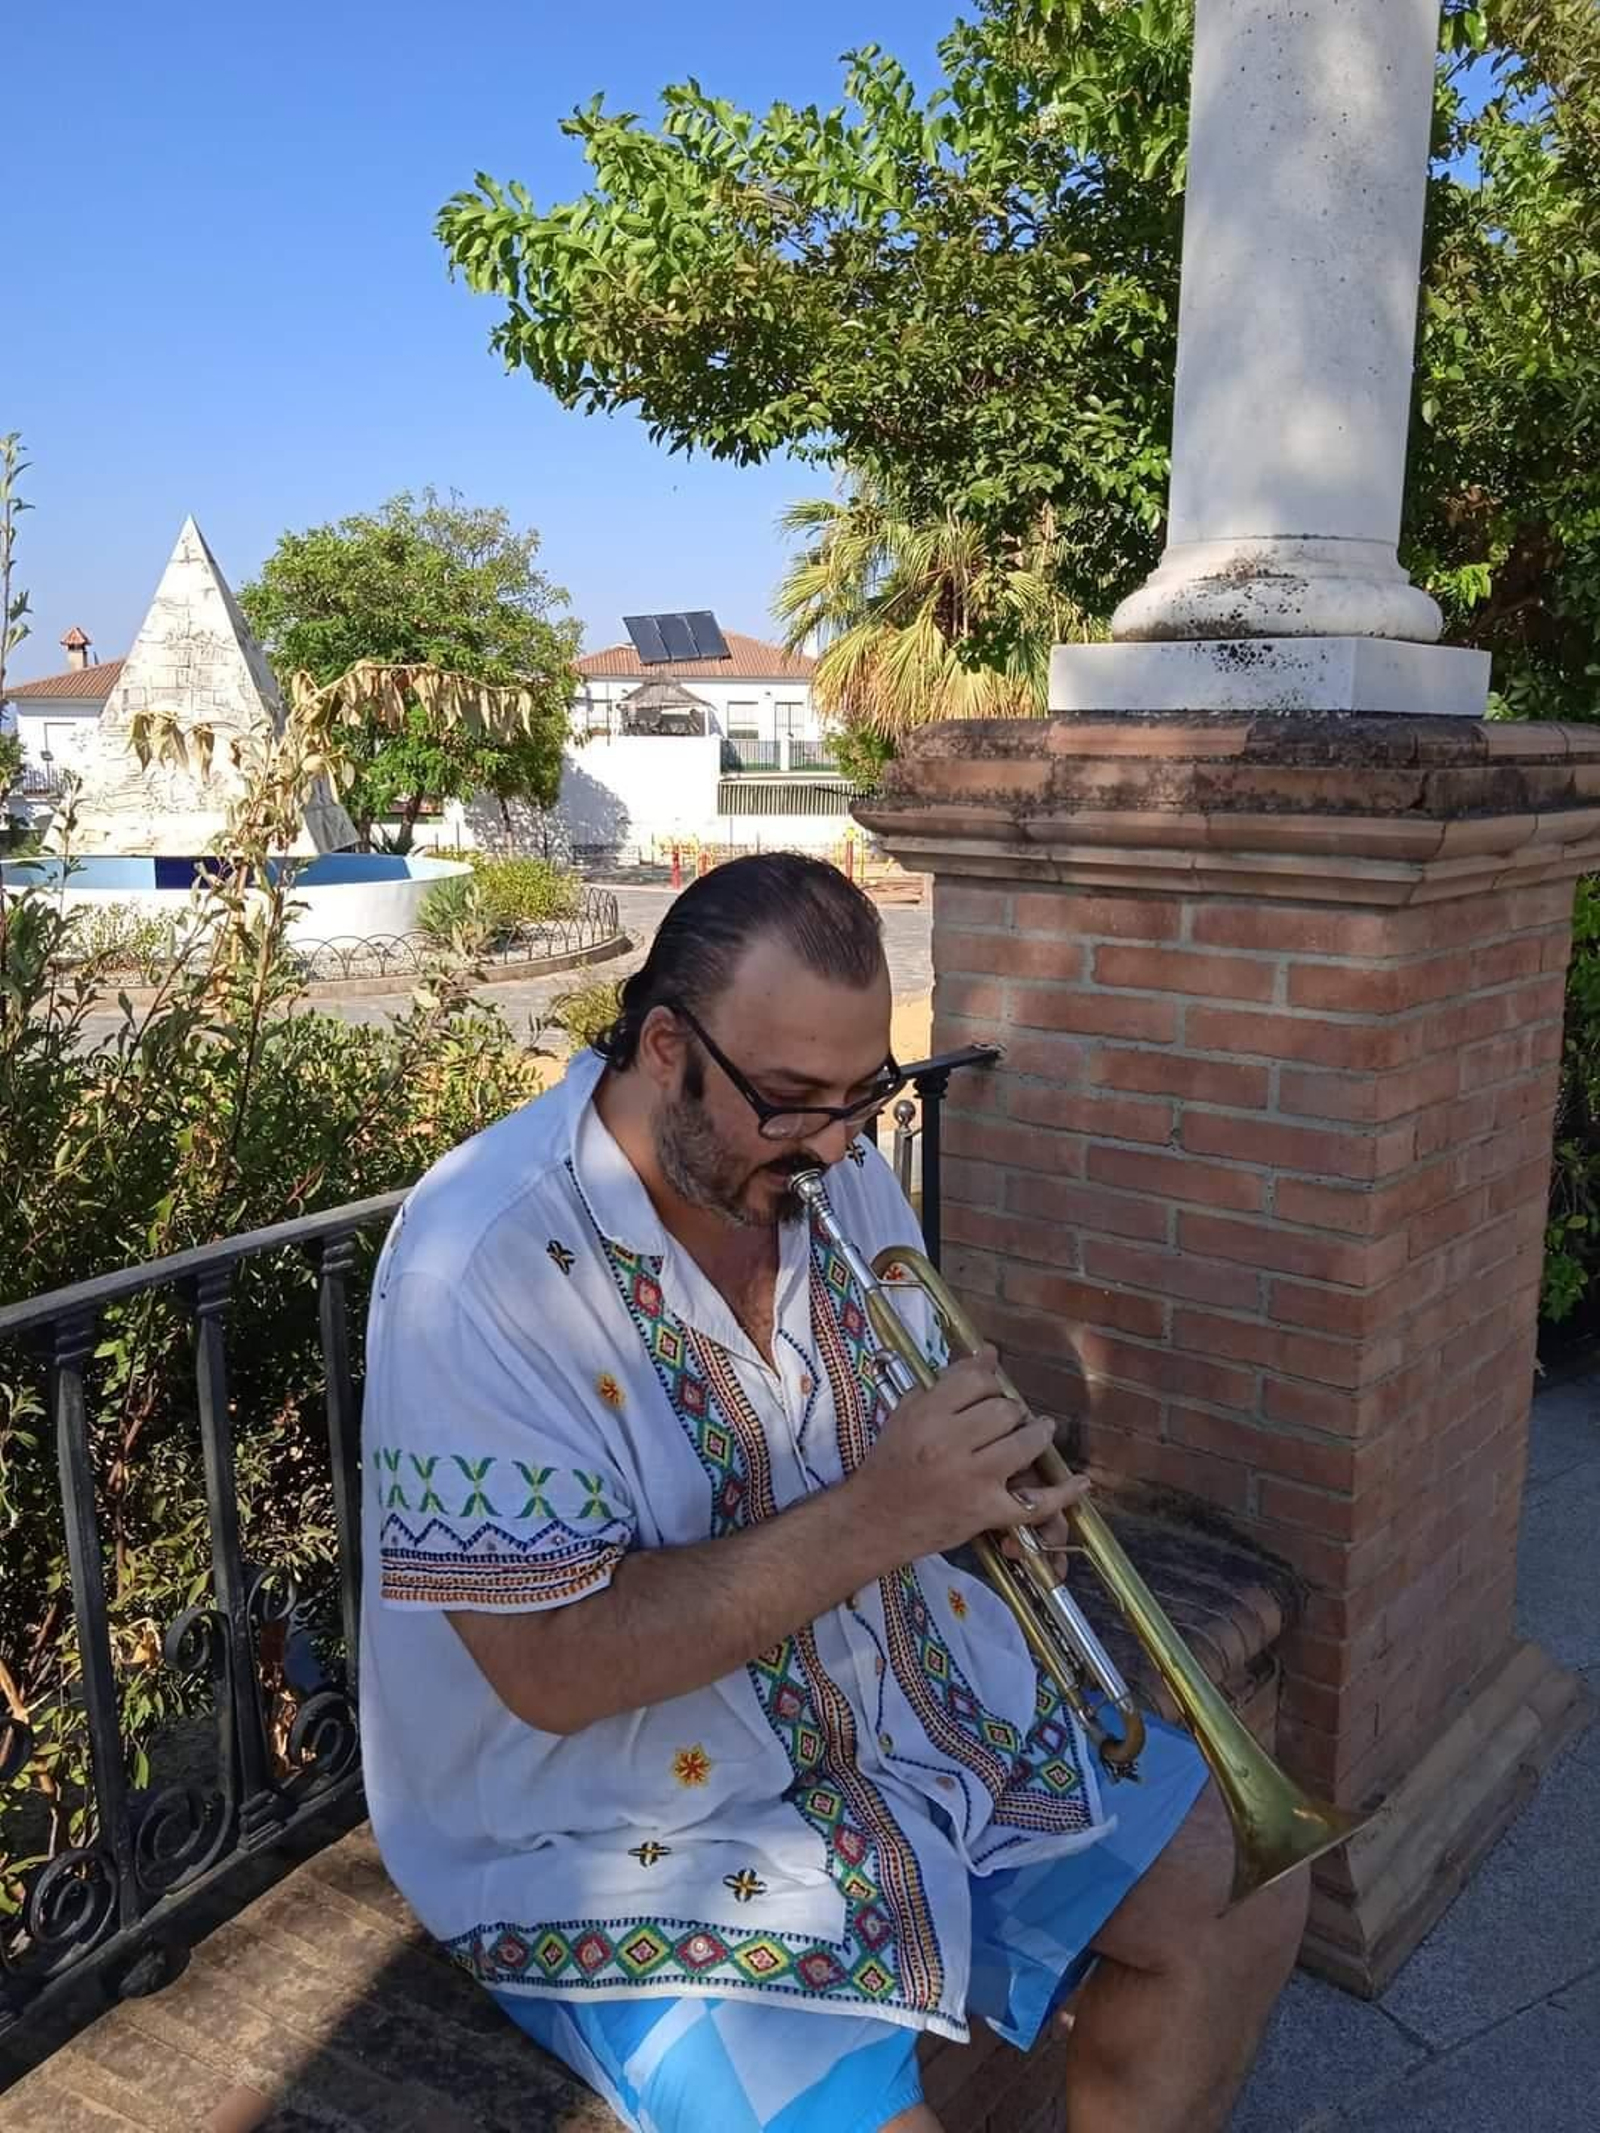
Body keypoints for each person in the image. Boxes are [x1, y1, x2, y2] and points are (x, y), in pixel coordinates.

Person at [359, 852, 1307, 2133]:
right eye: (793, 1100)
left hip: (901, 1712)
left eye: (865, 1097)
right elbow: (553, 1668)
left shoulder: (823, 1159)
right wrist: (887, 1510)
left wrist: (979, 1457)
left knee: (1242, 1893)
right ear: (662, 1047)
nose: (840, 1144)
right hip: (626, 1831)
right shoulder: (482, 1263)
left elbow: (918, 1357)